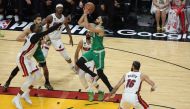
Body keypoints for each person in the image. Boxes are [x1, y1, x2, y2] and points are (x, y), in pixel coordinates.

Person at [12, 23, 62, 109]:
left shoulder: (34, 35)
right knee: (30, 78)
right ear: (34, 30)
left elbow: (42, 38)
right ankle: (16, 98)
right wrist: (60, 24)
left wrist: (43, 41)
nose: (40, 27)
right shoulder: (34, 36)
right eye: (38, 26)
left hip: (28, 58)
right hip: (22, 58)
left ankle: (26, 93)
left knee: (38, 75)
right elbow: (48, 31)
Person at [2, 14, 53, 92]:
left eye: (40, 19)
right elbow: (18, 38)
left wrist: (46, 41)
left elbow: (46, 37)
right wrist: (27, 40)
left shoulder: (42, 28)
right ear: (34, 21)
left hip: (38, 50)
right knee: (18, 67)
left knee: (45, 67)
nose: (40, 21)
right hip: (28, 50)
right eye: (38, 19)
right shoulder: (28, 30)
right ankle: (8, 82)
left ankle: (47, 82)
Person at [76, 8, 113, 93]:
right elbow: (79, 23)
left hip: (99, 52)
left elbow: (88, 26)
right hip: (92, 51)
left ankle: (110, 87)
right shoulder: (93, 25)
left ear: (101, 22)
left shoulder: (101, 29)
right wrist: (84, 14)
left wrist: (86, 14)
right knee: (79, 62)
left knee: (100, 73)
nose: (97, 18)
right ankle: (92, 74)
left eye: (98, 18)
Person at [41, 4, 76, 72]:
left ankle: (72, 67)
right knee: (43, 56)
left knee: (66, 55)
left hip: (57, 39)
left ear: (62, 9)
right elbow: (42, 25)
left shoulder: (64, 18)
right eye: (58, 8)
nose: (60, 9)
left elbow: (67, 27)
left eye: (61, 8)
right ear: (56, 9)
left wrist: (70, 37)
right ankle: (38, 70)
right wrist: (41, 36)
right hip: (48, 38)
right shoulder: (51, 17)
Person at [74, 31, 104, 101]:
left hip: (92, 61)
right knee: (81, 76)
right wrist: (76, 63)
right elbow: (76, 53)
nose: (88, 33)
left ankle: (100, 91)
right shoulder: (82, 41)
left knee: (88, 77)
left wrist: (98, 65)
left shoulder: (95, 43)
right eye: (87, 32)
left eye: (89, 32)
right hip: (83, 61)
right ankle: (90, 92)